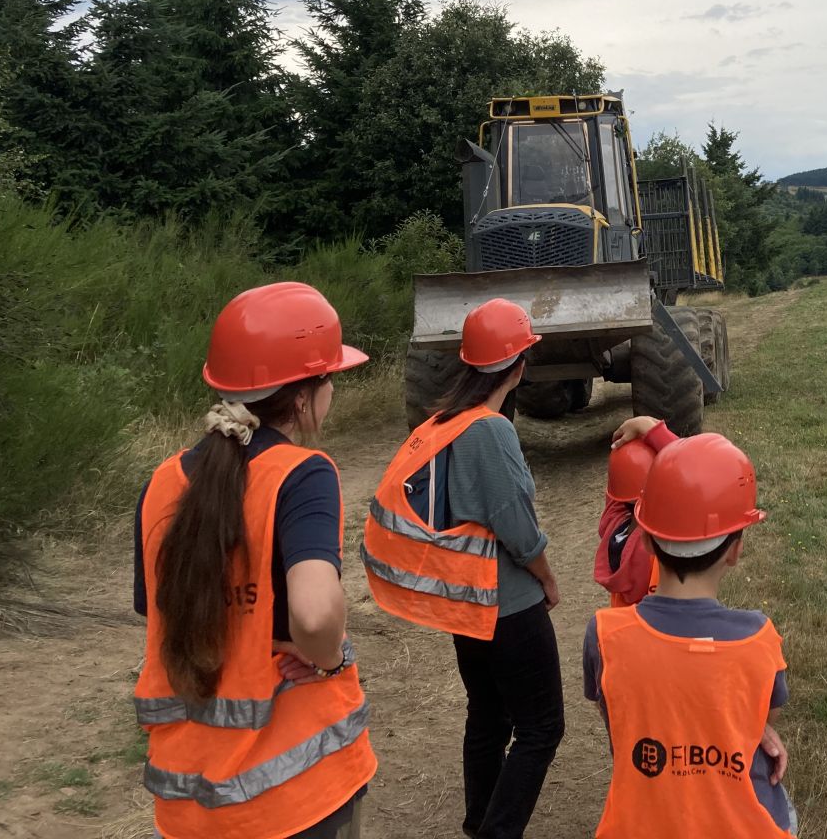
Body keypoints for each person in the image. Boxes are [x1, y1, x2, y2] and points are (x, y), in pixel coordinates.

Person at [132, 282, 377, 839]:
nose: (332, 390)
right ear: (302, 396)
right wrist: (328, 659)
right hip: (294, 795)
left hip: (190, 798)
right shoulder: (302, 475)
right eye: (329, 378)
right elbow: (315, 615)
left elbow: (158, 610)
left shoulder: (161, 483)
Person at [363, 298, 563, 839]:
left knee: (489, 715)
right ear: (518, 366)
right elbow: (514, 522)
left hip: (468, 605)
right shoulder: (490, 430)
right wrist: (546, 576)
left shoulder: (442, 423)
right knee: (541, 727)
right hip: (509, 606)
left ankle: (479, 822)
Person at [584, 429, 797, 836]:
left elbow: (617, 718)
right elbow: (758, 717)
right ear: (735, 551)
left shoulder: (605, 635)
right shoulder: (759, 639)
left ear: (646, 540)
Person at [594, 415, 678, 606]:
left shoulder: (612, 526)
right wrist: (654, 432)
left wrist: (621, 456)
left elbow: (617, 494)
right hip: (660, 622)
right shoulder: (663, 541)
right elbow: (690, 470)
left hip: (627, 621)